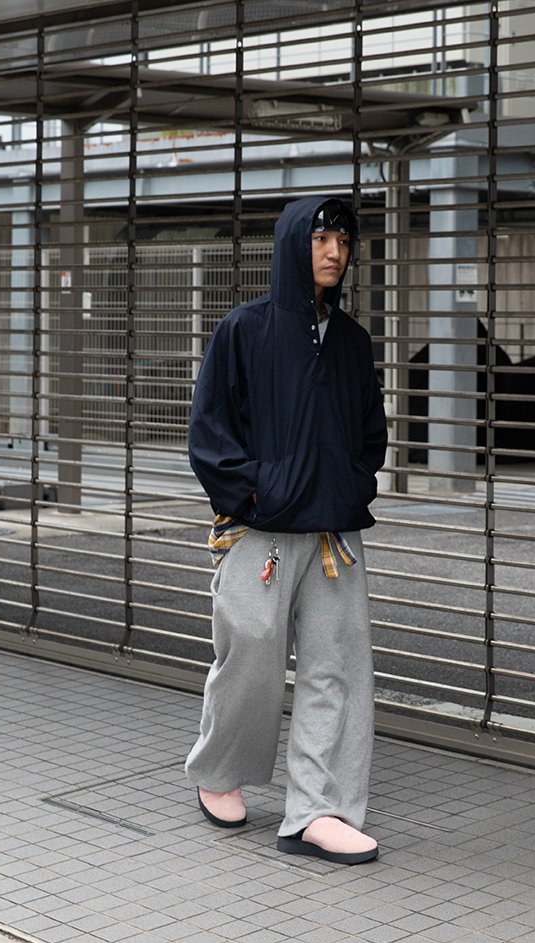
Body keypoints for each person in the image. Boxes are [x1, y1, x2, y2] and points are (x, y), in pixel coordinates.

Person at [185, 195, 387, 864]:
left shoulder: (353, 342)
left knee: (338, 669)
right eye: (321, 238)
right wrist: (257, 493)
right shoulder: (243, 330)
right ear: (293, 245)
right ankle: (220, 770)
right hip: (261, 530)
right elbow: (209, 432)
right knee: (251, 652)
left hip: (335, 534)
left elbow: (371, 435)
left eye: (344, 240)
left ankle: (317, 811)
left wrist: (350, 486)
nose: (334, 251)